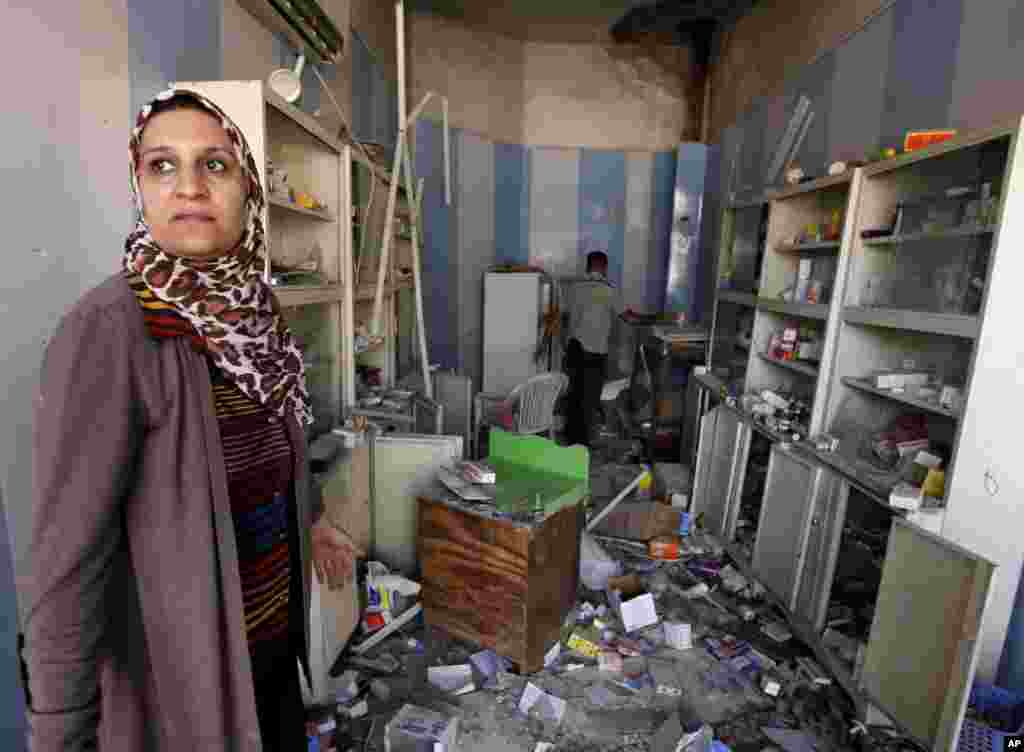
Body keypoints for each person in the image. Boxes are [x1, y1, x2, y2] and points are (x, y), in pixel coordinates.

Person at [21, 88, 362, 751]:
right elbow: (65, 565)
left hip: (267, 656)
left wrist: (314, 518)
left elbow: (278, 434)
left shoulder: (256, 315)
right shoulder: (113, 332)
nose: (189, 187)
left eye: (214, 164)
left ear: (248, 186)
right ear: (139, 186)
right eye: (162, 165)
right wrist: (61, 734)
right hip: (183, 696)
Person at [564, 251, 619, 447]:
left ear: (588, 267)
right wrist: (652, 318)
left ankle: (571, 441)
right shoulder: (608, 290)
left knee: (574, 396)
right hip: (594, 354)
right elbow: (626, 316)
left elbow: (565, 316)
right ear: (603, 268)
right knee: (590, 399)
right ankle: (583, 445)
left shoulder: (574, 288)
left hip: (573, 350)